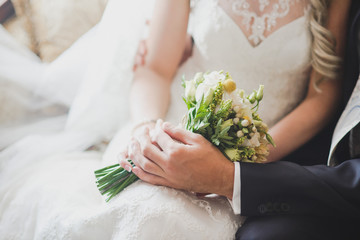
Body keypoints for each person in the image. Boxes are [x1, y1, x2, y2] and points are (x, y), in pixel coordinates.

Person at [0, 0, 351, 239]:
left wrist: (240, 166)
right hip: (168, 131)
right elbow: (153, 69)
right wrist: (147, 132)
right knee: (145, 211)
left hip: (255, 158)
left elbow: (321, 98)